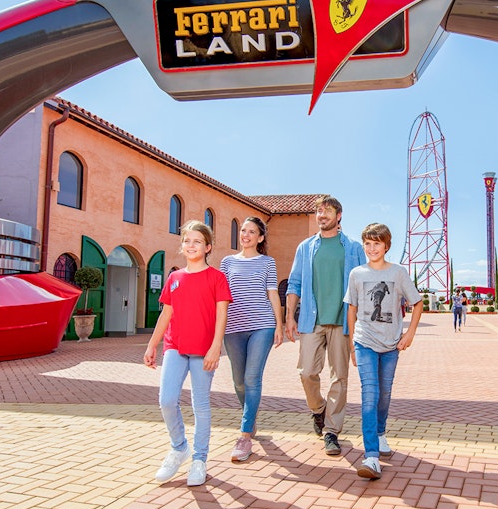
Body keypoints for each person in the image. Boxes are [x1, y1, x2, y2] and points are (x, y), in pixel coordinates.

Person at [143, 220, 232, 486]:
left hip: (204, 350)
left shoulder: (217, 277)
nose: (191, 245)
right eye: (187, 241)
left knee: (200, 405)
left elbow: (221, 315)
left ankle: (199, 459)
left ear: (208, 247)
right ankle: (179, 447)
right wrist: (152, 344)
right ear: (182, 246)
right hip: (176, 347)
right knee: (167, 400)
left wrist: (216, 346)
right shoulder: (174, 278)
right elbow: (166, 314)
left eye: (197, 241)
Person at [284, 195, 366, 456]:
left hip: (342, 322)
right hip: (311, 319)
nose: (322, 215)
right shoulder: (306, 247)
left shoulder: (353, 248)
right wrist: (289, 316)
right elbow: (294, 283)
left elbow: (363, 286)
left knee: (339, 377)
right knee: (306, 372)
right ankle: (318, 409)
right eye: (319, 211)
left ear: (338, 216)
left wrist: (361, 325)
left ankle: (332, 431)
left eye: (327, 211)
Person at [345, 223, 423, 480]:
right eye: (368, 243)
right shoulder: (357, 273)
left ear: (386, 246)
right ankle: (371, 456)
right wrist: (351, 346)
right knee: (370, 392)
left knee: (385, 392)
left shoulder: (398, 273)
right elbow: (352, 310)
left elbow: (417, 302)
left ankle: (380, 433)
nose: (372, 248)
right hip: (364, 341)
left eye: (377, 243)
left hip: (391, 345)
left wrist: (409, 334)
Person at [220, 217, 283, 463]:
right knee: (238, 382)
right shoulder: (227, 262)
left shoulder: (268, 262)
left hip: (262, 326)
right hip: (233, 327)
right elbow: (222, 297)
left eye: (252, 231)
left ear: (260, 238)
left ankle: (245, 435)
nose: (245, 235)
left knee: (251, 377)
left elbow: (272, 293)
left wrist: (278, 324)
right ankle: (251, 413)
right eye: (243, 231)